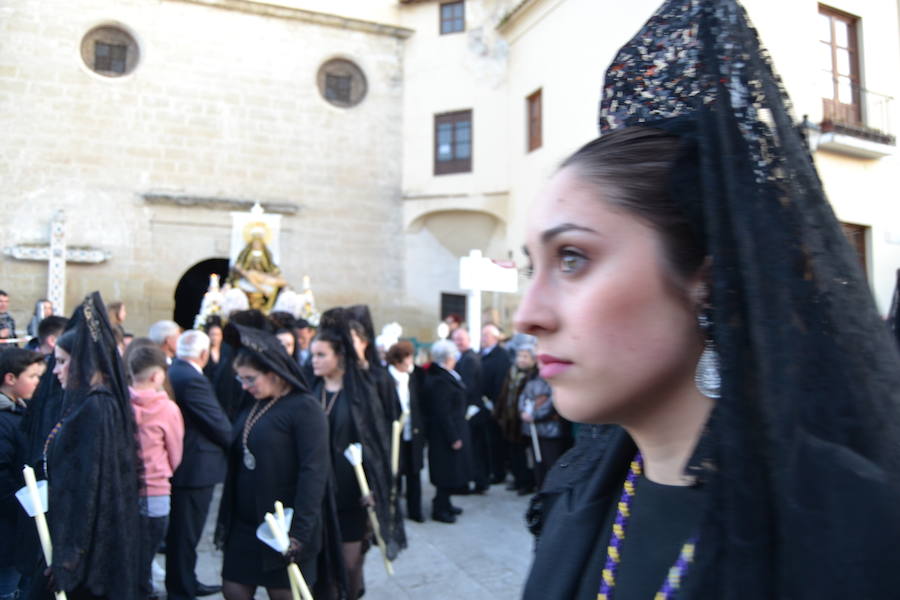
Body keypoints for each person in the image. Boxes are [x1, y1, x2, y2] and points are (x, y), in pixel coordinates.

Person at [517, 1, 900, 598]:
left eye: (573, 258)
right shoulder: (576, 492)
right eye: (530, 267)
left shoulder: (855, 528)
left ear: (705, 276)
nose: (528, 314)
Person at [36, 292, 143, 599]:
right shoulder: (83, 404)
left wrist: (71, 557)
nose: (55, 370)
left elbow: (91, 485)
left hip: (86, 547)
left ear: (82, 361)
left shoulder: (97, 408)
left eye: (61, 362)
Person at [216, 325, 331, 600]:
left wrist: (299, 533)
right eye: (240, 379)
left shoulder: (305, 407)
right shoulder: (255, 401)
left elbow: (314, 471)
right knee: (233, 590)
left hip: (284, 527)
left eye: (250, 379)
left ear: (273, 373)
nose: (245, 386)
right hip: (245, 525)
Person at [311, 308, 405, 599]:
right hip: (318, 489)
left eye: (320, 355)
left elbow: (381, 440)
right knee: (323, 564)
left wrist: (380, 484)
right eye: (312, 355)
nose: (313, 361)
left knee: (350, 562)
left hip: (354, 488)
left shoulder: (363, 389)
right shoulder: (311, 389)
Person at [166, 330, 231, 600]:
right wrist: (236, 441)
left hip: (189, 464)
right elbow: (216, 423)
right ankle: (182, 588)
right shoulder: (191, 378)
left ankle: (186, 580)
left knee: (184, 533)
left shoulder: (177, 371)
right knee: (186, 533)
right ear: (204, 354)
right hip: (194, 467)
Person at [126, 345, 184, 600]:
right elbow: (175, 451)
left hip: (124, 489)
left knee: (128, 556)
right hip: (156, 489)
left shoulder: (120, 403)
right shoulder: (168, 409)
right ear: (157, 376)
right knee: (146, 555)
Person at [0, 348, 44, 600]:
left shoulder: (21, 412)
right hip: (7, 529)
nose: (37, 382)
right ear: (10, 378)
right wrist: (24, 507)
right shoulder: (5, 419)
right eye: (33, 376)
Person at [421, 339, 469, 523]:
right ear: (448, 358)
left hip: (450, 431)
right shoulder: (440, 380)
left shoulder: (444, 375)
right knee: (445, 472)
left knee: (451, 470)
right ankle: (439, 508)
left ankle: (446, 503)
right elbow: (443, 412)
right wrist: (453, 437)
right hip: (444, 435)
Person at [385, 341, 425, 523]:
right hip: (394, 435)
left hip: (413, 433)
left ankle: (415, 510)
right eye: (408, 357)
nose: (411, 361)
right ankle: (393, 513)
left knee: (414, 473)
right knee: (395, 473)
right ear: (398, 360)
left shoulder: (413, 377)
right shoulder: (385, 379)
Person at [495, 344, 538, 495]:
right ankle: (517, 479)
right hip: (510, 420)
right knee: (513, 452)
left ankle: (526, 483)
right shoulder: (512, 372)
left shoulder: (534, 375)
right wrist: (499, 413)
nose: (521, 359)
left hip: (523, 421)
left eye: (525, 356)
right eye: (520, 356)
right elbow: (504, 394)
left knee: (524, 454)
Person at [450, 327, 488, 493]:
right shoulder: (465, 358)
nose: (458, 342)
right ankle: (477, 481)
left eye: (461, 339)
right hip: (471, 410)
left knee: (474, 449)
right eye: (456, 339)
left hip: (472, 411)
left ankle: (477, 482)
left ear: (469, 340)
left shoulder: (469, 359)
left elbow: (468, 387)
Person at [519, 370, 568, 491]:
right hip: (534, 429)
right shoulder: (531, 382)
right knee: (537, 462)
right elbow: (523, 397)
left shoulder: (555, 383)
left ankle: (552, 490)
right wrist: (524, 412)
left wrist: (534, 415)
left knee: (551, 461)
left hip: (551, 429)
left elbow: (553, 402)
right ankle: (540, 487)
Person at [479, 324, 511, 485]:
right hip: (483, 403)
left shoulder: (502, 356)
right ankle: (491, 469)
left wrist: (495, 403)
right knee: (486, 440)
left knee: (496, 440)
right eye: (482, 335)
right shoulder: (481, 354)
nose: (483, 338)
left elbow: (501, 382)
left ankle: (499, 472)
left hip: (495, 405)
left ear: (495, 338)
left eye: (486, 335)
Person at [202, 316, 224, 382]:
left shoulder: (227, 350)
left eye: (217, 335)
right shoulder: (204, 350)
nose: (214, 338)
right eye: (212, 334)